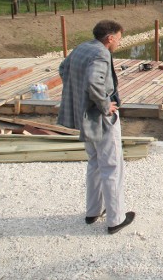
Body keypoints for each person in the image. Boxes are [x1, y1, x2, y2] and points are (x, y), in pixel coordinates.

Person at [58, 20, 135, 235]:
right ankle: (115, 219)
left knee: (94, 162)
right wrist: (103, 104)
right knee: (112, 166)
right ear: (110, 38)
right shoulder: (102, 54)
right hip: (101, 118)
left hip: (85, 117)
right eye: (119, 38)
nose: (119, 42)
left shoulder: (82, 47)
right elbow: (93, 81)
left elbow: (63, 69)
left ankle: (93, 211)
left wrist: (80, 96)